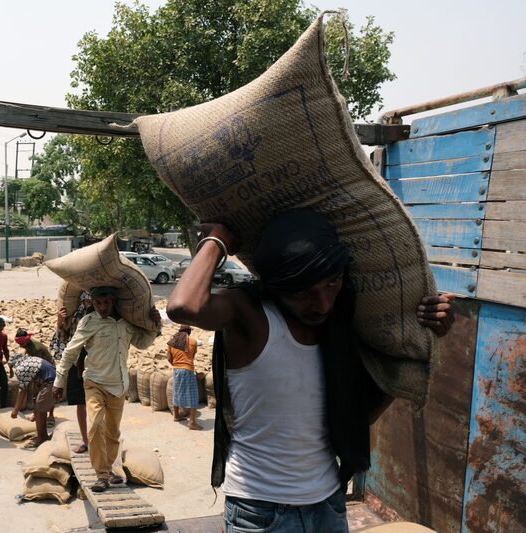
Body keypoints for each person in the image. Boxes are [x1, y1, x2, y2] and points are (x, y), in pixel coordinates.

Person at [166, 209, 455, 532]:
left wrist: (423, 334)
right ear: (276, 285)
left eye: (332, 283)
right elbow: (183, 307)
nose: (322, 304)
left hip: (328, 503)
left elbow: (360, 415)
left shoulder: (341, 325)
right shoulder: (250, 314)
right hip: (261, 511)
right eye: (302, 292)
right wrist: (217, 240)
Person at [53, 286, 161, 492]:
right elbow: (70, 351)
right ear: (93, 304)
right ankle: (101, 475)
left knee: (112, 433)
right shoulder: (89, 322)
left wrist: (155, 325)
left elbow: (143, 343)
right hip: (94, 382)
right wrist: (58, 381)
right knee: (94, 426)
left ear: (113, 302)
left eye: (106, 303)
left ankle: (109, 468)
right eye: (98, 303)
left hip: (118, 387)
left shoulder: (126, 324)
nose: (102, 307)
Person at [50, 291, 94, 453]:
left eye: (90, 300)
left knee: (98, 404)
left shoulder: (101, 316)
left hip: (96, 363)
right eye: (85, 301)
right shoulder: (75, 317)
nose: (87, 303)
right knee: (81, 404)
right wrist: (60, 322)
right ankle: (85, 440)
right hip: (76, 364)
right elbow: (63, 340)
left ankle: (100, 439)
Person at [9, 352, 56, 449]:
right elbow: (35, 382)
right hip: (54, 380)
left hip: (50, 382)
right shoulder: (30, 361)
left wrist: (16, 410)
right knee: (40, 411)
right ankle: (44, 436)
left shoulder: (21, 368)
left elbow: (22, 391)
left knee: (39, 412)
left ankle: (40, 439)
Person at [15, 328, 56, 426]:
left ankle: (51, 415)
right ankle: (36, 413)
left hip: (48, 368)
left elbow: (37, 364)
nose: (20, 345)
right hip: (38, 367)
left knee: (49, 394)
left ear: (27, 340)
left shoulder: (36, 349)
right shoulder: (27, 345)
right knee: (35, 393)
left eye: (21, 343)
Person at [166, 324, 201, 430]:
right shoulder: (193, 341)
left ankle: (176, 416)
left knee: (177, 392)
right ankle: (192, 422)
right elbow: (192, 357)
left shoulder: (172, 342)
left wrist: (176, 365)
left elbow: (168, 358)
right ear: (189, 331)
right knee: (193, 395)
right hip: (188, 370)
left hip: (176, 369)